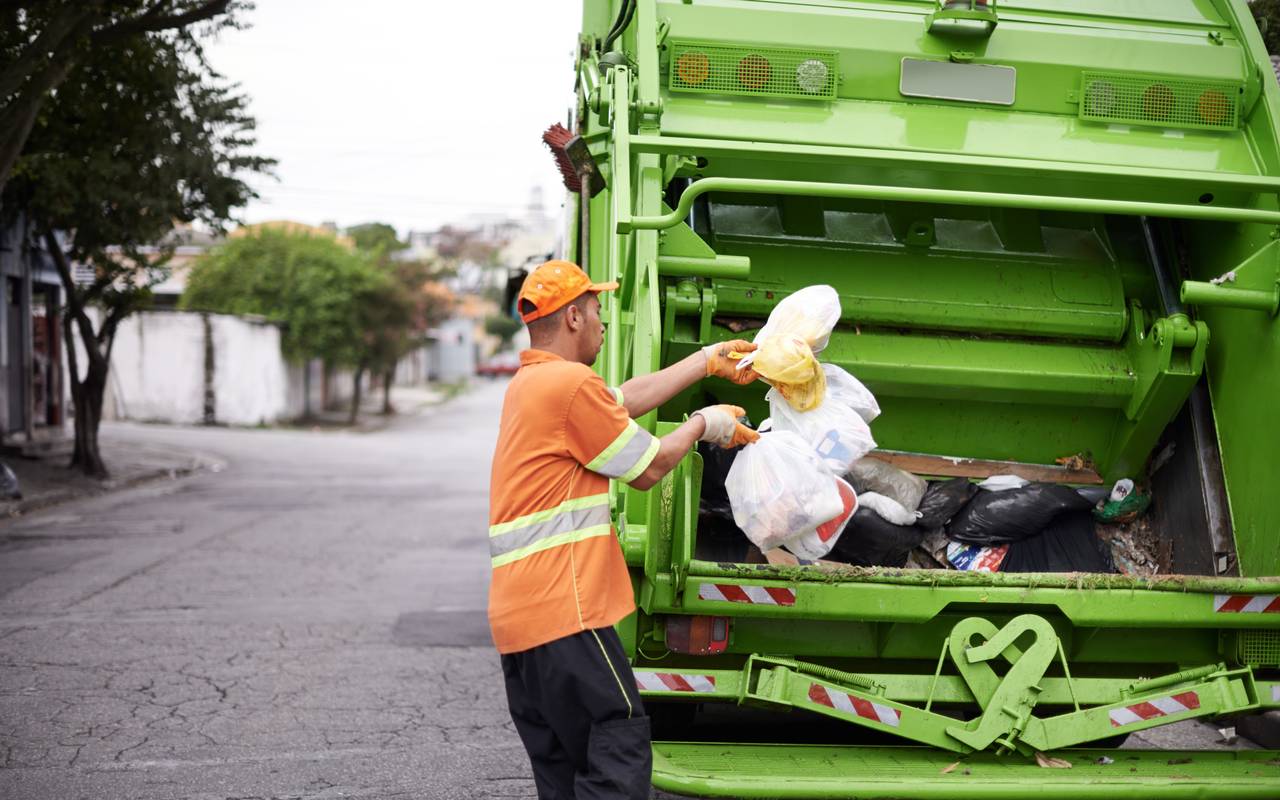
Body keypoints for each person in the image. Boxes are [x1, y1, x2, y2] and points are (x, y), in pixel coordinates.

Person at [488, 259, 760, 799]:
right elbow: (652, 467)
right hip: (565, 610)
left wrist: (705, 360)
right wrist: (706, 424)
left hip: (522, 625)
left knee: (567, 773)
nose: (603, 320)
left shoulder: (534, 384)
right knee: (617, 742)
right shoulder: (568, 385)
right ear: (571, 318)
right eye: (595, 308)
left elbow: (624, 399)